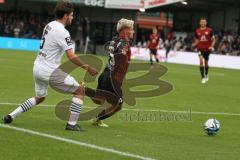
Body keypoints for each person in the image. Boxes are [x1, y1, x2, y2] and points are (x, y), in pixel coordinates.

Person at [3, 1, 98, 131]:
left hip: (37, 68)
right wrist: (88, 67)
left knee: (40, 97)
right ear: (65, 16)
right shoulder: (63, 32)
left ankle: (11, 116)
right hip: (50, 71)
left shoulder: (49, 25)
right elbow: (71, 56)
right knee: (80, 90)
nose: (72, 17)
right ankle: (72, 124)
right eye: (71, 15)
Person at [90, 18, 134, 127]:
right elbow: (121, 55)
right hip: (113, 78)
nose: (133, 31)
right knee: (118, 105)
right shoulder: (124, 43)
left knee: (99, 99)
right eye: (132, 29)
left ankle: (84, 90)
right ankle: (97, 119)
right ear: (125, 30)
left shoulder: (115, 39)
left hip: (105, 74)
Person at [192, 18, 216, 84]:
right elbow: (197, 40)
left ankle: (206, 74)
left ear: (206, 23)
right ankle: (203, 77)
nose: (202, 23)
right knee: (201, 61)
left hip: (207, 49)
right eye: (201, 22)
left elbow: (214, 39)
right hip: (200, 49)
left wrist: (211, 46)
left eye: (204, 22)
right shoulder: (197, 30)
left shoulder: (209, 30)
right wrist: (194, 44)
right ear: (200, 23)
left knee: (206, 63)